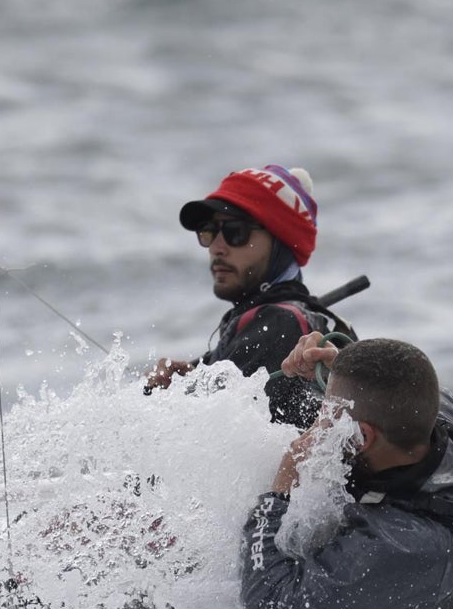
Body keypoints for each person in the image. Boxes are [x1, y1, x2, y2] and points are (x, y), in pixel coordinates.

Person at [240, 333, 453, 609]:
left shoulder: (397, 545)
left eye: (330, 418)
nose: (322, 426)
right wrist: (335, 372)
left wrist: (279, 495)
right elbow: (388, 385)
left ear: (363, 436)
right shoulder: (434, 414)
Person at [145, 164, 359, 428]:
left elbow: (201, 438)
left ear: (281, 240)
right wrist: (187, 380)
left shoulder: (280, 322)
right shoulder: (289, 319)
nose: (217, 247)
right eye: (209, 232)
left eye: (236, 232)